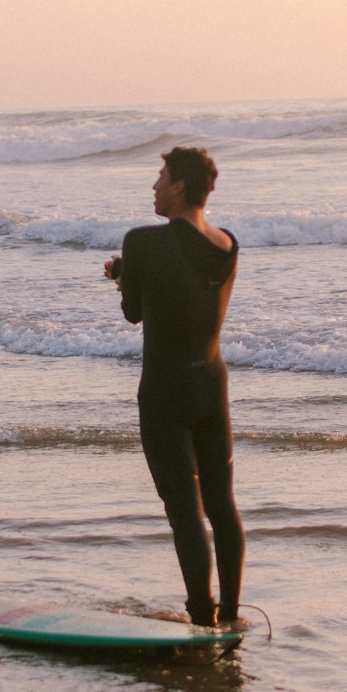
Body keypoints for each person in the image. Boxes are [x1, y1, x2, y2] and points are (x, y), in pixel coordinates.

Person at [105, 146, 244, 627]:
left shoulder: (141, 241)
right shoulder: (228, 245)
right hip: (211, 385)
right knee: (223, 506)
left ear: (180, 185)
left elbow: (135, 311)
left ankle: (201, 619)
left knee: (185, 511)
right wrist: (133, 274)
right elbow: (185, 289)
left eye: (160, 176)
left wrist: (122, 274)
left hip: (165, 391)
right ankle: (230, 614)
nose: (154, 186)